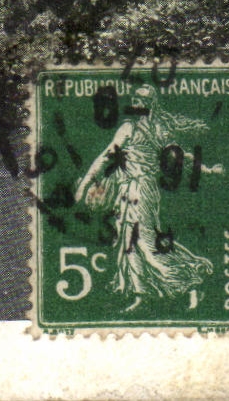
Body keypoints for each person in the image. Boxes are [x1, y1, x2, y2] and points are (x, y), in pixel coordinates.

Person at [74, 82, 220, 311]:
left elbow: (180, 156)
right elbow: (108, 156)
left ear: (149, 104)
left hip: (141, 191)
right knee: (128, 242)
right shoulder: (138, 128)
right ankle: (139, 294)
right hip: (129, 191)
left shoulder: (142, 130)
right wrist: (207, 169)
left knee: (145, 242)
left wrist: (83, 185)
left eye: (142, 100)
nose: (137, 103)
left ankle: (190, 282)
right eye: (136, 99)